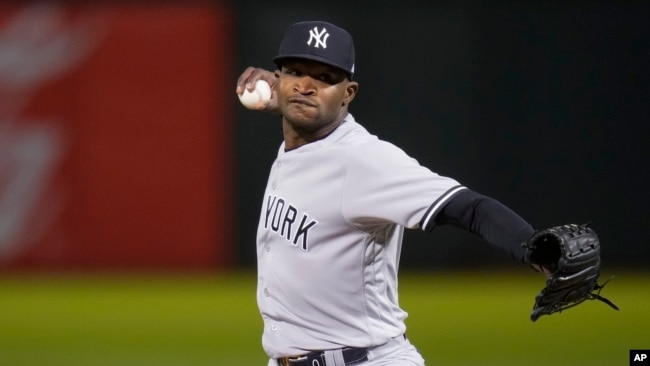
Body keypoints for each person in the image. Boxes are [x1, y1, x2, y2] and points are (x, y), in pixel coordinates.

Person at [236, 20, 549, 366]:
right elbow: (300, 103)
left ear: (348, 94)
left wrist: (536, 248)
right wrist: (283, 96)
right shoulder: (300, 137)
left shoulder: (364, 159)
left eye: (326, 78)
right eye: (296, 71)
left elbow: (466, 207)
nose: (307, 86)